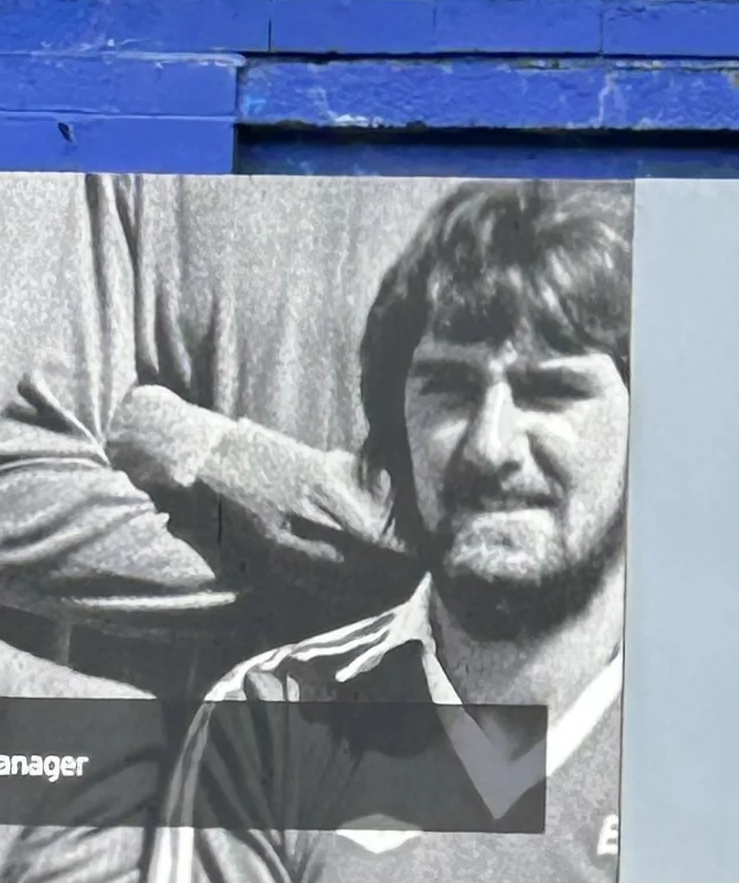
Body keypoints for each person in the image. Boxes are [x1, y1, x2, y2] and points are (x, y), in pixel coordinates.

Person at [147, 182, 631, 883]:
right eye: (450, 387)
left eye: (551, 390)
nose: (490, 446)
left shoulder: (732, 733)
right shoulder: (269, 723)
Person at [0, 176, 437, 698]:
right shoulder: (114, 144)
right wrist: (334, 558)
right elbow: (16, 487)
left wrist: (185, 441)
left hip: (433, 731)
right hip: (168, 740)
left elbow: (454, 535)